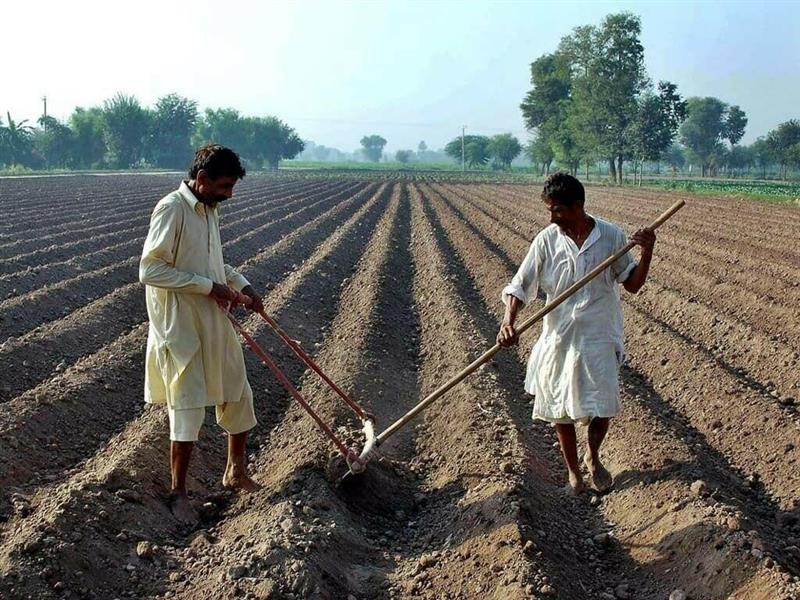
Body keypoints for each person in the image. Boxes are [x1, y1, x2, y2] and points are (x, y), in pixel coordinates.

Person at [497, 173, 655, 495]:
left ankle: (593, 457)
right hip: (559, 336)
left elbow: (634, 284)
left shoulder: (611, 237)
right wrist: (508, 321)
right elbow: (520, 283)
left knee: (602, 406)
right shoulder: (546, 240)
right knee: (559, 407)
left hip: (600, 334)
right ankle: (574, 472)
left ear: (578, 206)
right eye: (550, 210)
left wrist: (647, 252)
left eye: (557, 210)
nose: (552, 217)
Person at [139, 144, 264, 522]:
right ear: (202, 179)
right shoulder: (172, 209)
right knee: (188, 404)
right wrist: (208, 287)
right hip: (181, 323)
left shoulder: (208, 210)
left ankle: (235, 472)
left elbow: (210, 261)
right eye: (225, 185)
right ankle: (178, 493)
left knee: (238, 391)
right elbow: (149, 270)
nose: (230, 193)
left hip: (213, 317)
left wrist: (241, 284)